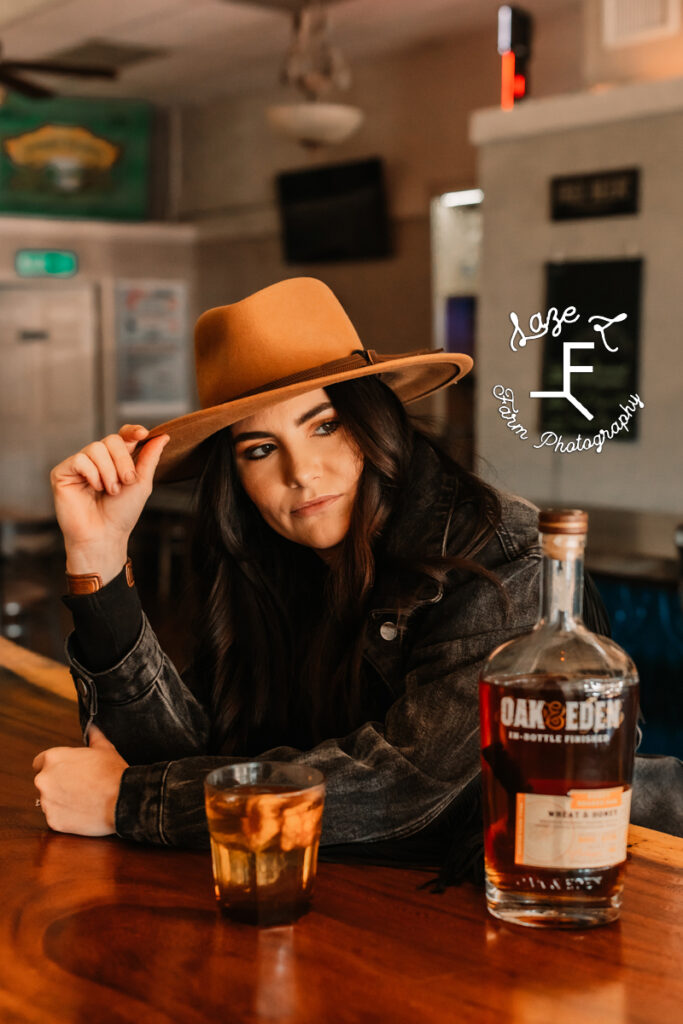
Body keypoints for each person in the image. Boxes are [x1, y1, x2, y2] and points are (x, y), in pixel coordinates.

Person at [33, 277, 682, 889]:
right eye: (259, 449)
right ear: (235, 480)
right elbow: (182, 756)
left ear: (377, 421)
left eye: (325, 424)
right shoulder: (268, 566)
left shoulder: (499, 550)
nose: (301, 473)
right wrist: (100, 554)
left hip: (604, 887)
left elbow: (408, 784)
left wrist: (132, 803)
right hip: (391, 904)